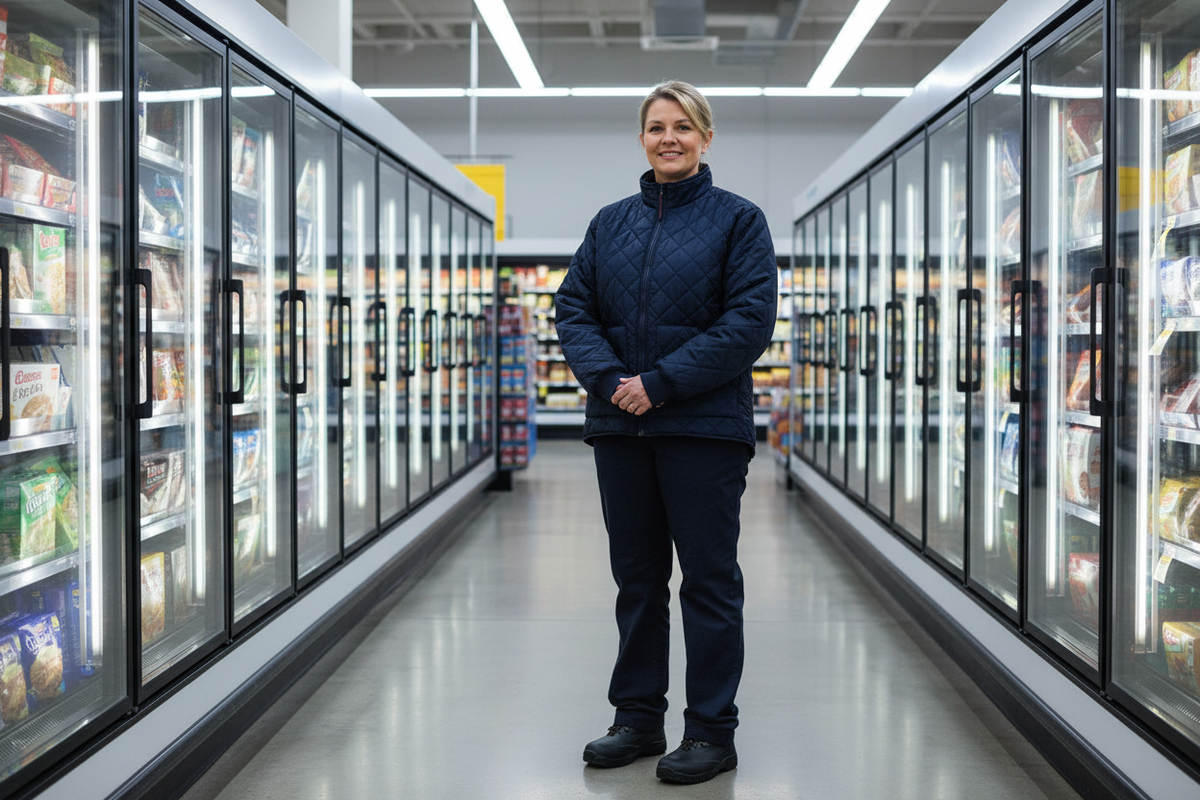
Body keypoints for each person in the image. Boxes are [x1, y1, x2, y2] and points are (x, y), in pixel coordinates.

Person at [554, 80, 777, 786]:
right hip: (620, 428)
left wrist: (661, 382)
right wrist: (609, 380)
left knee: (708, 581)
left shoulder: (739, 221)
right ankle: (637, 717)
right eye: (657, 127)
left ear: (706, 137)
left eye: (683, 126)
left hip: (704, 429)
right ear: (642, 138)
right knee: (638, 580)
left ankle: (711, 731)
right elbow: (573, 310)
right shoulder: (609, 224)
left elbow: (748, 323)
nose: (669, 138)